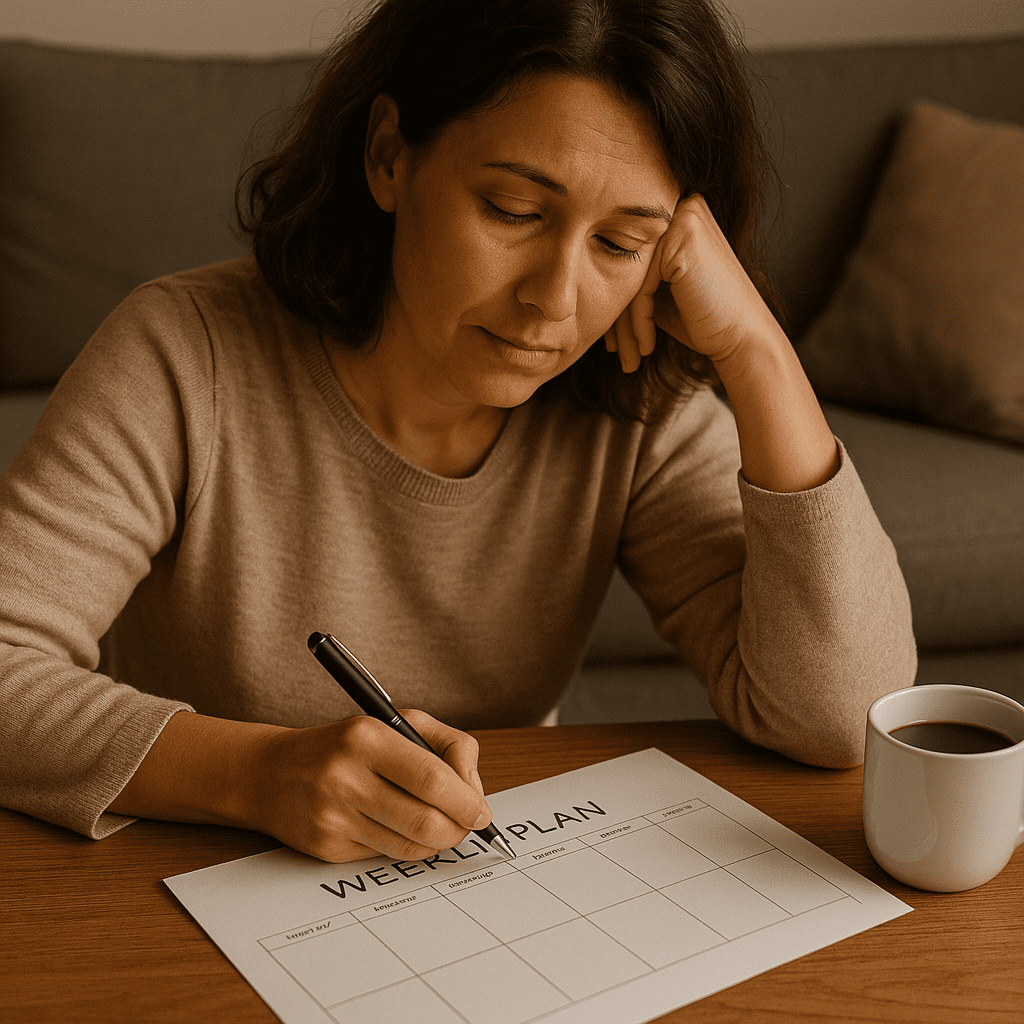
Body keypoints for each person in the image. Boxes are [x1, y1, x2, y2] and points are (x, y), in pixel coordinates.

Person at [0, 0, 915, 865]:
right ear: (391, 155)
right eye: (514, 212)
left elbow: (843, 719)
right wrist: (252, 774)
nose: (555, 300)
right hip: (174, 874)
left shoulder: (636, 405)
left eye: (620, 245)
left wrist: (756, 350)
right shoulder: (181, 353)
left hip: (467, 888)